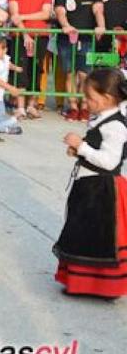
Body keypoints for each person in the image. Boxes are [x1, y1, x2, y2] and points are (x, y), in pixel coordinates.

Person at [55, 68, 127, 299]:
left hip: (103, 190)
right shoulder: (100, 118)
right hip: (90, 186)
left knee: (100, 238)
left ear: (107, 98)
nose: (86, 102)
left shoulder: (116, 126)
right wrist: (78, 151)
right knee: (83, 234)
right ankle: (80, 283)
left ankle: (105, 287)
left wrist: (82, 146)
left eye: (90, 98)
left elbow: (109, 161)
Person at [55, 0, 105, 121]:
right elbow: (60, 13)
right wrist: (66, 26)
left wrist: (101, 26)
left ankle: (84, 107)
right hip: (66, 40)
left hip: (86, 40)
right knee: (70, 74)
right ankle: (73, 107)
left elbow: (98, 11)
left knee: (85, 75)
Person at [8, 0, 54, 119]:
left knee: (37, 69)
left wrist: (24, 16)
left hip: (40, 34)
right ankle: (20, 107)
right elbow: (14, 14)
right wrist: (25, 34)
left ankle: (31, 105)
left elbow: (45, 13)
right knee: (20, 69)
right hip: (19, 35)